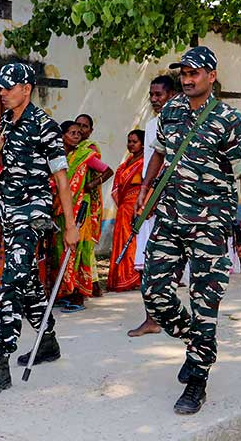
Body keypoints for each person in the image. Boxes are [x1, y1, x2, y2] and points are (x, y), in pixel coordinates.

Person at [138, 46, 241, 415]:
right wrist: (146, 188)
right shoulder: (171, 110)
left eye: (194, 73)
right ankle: (197, 340)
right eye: (184, 74)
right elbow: (159, 152)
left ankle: (198, 379)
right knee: (154, 293)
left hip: (210, 224)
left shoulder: (229, 119)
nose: (187, 79)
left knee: (205, 302)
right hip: (170, 217)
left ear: (212, 76)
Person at [0, 63, 79, 396]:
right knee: (27, 280)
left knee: (10, 283)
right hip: (8, 211)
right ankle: (47, 340)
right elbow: (6, 157)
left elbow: (61, 178)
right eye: (0, 88)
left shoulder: (46, 126)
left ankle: (0, 362)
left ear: (26, 88)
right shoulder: (8, 120)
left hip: (32, 213)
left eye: (7, 88)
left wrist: (71, 226)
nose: (2, 93)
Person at [128, 75, 175, 338]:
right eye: (152, 95)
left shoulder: (184, 122)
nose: (155, 100)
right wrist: (146, 196)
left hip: (180, 203)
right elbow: (151, 167)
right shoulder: (152, 125)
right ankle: (152, 318)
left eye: (160, 94)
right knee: (148, 260)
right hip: (154, 202)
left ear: (172, 95)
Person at [50, 120, 112, 312]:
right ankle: (65, 291)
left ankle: (79, 296)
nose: (77, 136)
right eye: (72, 133)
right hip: (60, 208)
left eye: (79, 132)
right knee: (60, 249)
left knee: (79, 248)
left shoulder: (85, 155)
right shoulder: (56, 156)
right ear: (62, 136)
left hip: (80, 208)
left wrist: (89, 186)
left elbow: (108, 171)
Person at [74, 113, 113, 297]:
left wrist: (90, 185)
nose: (81, 129)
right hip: (71, 201)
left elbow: (107, 172)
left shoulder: (88, 150)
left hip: (85, 204)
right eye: (78, 125)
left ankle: (84, 287)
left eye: (84, 126)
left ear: (90, 131)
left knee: (83, 245)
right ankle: (93, 285)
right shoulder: (72, 149)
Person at [107, 130, 145, 292]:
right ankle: (121, 277)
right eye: (129, 141)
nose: (130, 145)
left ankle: (132, 277)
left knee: (132, 242)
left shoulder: (145, 163)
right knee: (121, 241)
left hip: (136, 207)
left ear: (143, 144)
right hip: (123, 208)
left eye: (134, 142)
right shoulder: (126, 164)